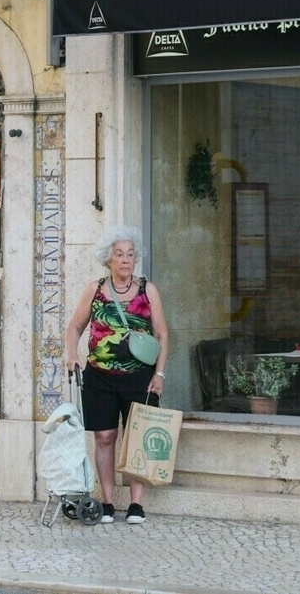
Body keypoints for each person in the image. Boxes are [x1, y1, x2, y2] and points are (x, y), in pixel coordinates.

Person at [65, 225, 169, 525]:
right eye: (119, 254)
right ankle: (108, 503)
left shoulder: (148, 290)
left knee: (138, 440)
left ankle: (136, 504)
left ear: (136, 259)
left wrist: (159, 373)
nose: (125, 260)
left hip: (140, 377)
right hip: (100, 377)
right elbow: (74, 327)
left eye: (130, 254)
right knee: (105, 437)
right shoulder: (95, 290)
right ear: (108, 259)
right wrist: (72, 354)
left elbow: (162, 333)